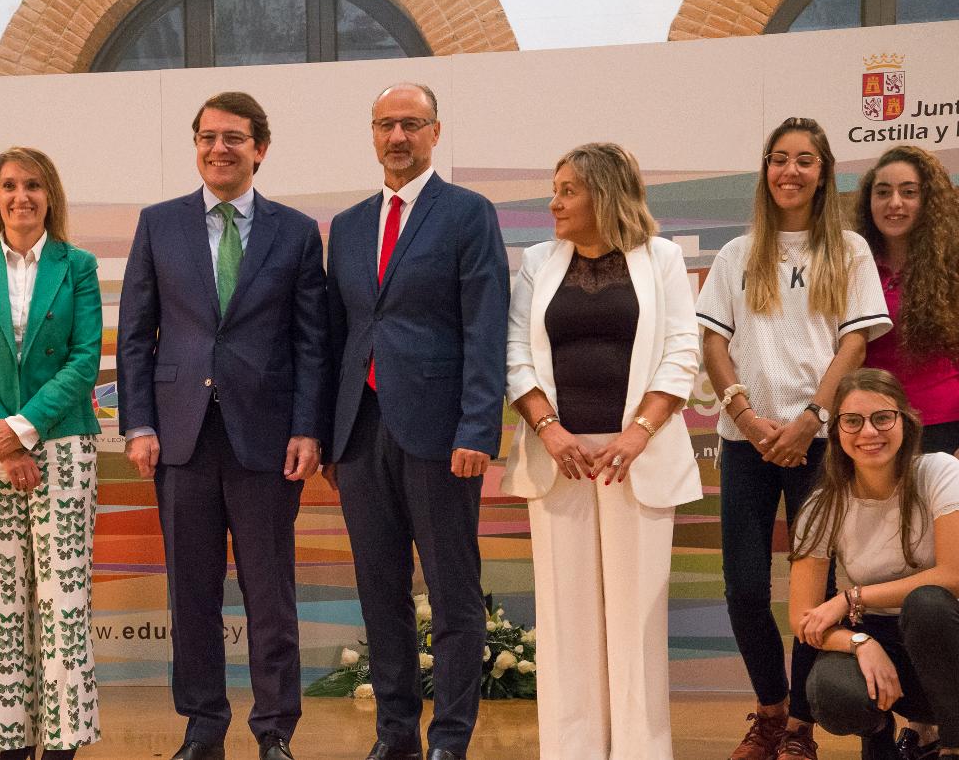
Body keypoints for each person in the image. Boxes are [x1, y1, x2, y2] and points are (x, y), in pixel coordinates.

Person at [117, 91, 328, 760]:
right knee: (192, 595)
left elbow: (311, 342)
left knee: (271, 594)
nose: (219, 148)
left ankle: (275, 733)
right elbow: (134, 335)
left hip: (267, 439)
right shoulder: (159, 224)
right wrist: (138, 423)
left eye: (234, 137)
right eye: (208, 137)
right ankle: (204, 727)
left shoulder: (295, 232)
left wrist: (308, 427)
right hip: (180, 437)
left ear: (259, 148)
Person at [695, 117, 892, 760]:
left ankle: (803, 726)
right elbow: (714, 342)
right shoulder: (735, 254)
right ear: (765, 170)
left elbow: (854, 341)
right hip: (746, 440)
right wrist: (746, 417)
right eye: (779, 159)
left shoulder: (849, 251)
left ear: (823, 171)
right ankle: (771, 712)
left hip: (820, 445)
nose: (790, 171)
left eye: (805, 160)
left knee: (814, 588)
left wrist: (813, 416)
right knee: (745, 587)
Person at [325, 83, 508, 760]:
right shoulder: (346, 228)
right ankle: (395, 735)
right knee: (381, 595)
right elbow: (337, 335)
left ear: (435, 132)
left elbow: (486, 327)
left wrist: (477, 430)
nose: (397, 136)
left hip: (441, 435)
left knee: (454, 595)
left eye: (411, 124)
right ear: (372, 134)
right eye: (385, 125)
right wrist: (325, 434)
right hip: (360, 432)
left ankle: (450, 740)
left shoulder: (467, 214)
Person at [501, 142, 702, 760]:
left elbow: (681, 352)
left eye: (567, 190)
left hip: (636, 459)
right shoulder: (538, 261)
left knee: (638, 620)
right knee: (565, 619)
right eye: (554, 188)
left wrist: (639, 432)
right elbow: (515, 354)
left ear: (605, 195)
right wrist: (549, 429)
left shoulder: (662, 258)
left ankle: (643, 751)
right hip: (557, 458)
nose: (553, 202)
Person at [0, 146, 102, 759]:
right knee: (2, 600)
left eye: (33, 185)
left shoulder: (77, 265)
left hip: (63, 442)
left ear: (50, 194)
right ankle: (10, 743)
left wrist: (26, 428)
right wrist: (2, 438)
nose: (21, 197)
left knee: (63, 600)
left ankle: (62, 745)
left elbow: (84, 358)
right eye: (9, 186)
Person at [788, 368, 959, 760]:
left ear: (905, 421)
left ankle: (952, 743)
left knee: (927, 603)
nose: (869, 432)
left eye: (883, 417)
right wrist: (860, 642)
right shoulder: (823, 505)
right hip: (881, 633)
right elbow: (802, 618)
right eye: (853, 421)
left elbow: (953, 576)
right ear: (836, 433)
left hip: (946, 636)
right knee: (831, 692)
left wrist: (851, 597)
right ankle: (880, 738)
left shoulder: (939, 472)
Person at [855, 146, 959, 457]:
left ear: (928, 201)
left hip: (944, 430)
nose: (895, 203)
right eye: (883, 192)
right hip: (871, 432)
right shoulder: (854, 266)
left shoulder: (952, 267)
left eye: (909, 192)